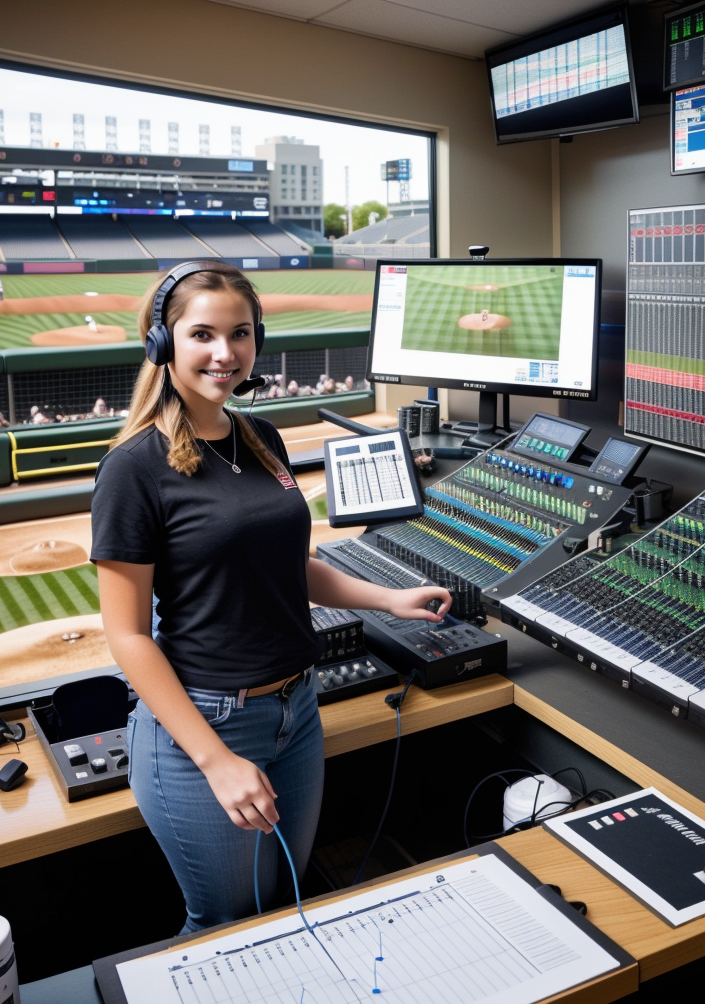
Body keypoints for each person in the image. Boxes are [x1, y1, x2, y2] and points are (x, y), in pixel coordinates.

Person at [90, 261, 450, 933]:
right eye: (202, 334)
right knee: (224, 922)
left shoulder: (261, 438)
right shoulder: (133, 469)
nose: (225, 353)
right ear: (161, 343)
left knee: (281, 905)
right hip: (207, 726)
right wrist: (218, 761)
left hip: (296, 710)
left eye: (241, 334)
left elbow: (292, 567)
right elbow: (129, 637)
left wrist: (388, 599)